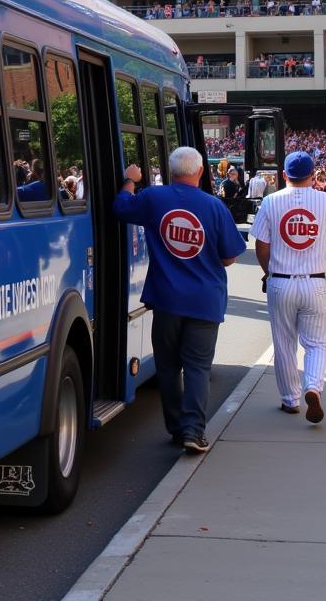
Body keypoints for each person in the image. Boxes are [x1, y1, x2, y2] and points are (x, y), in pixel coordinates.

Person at [114, 147, 246, 454]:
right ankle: (193, 430)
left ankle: (175, 427)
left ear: (172, 171)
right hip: (204, 301)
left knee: (168, 367)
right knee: (198, 367)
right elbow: (229, 257)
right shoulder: (214, 207)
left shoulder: (153, 198)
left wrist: (130, 182)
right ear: (200, 172)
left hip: (166, 299)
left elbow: (121, 208)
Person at [252, 151, 326, 424]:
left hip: (281, 280)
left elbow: (261, 244)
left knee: (284, 344)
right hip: (315, 280)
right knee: (317, 343)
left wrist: (268, 271)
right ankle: (313, 386)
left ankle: (290, 399)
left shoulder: (271, 201)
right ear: (313, 174)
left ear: (284, 175)